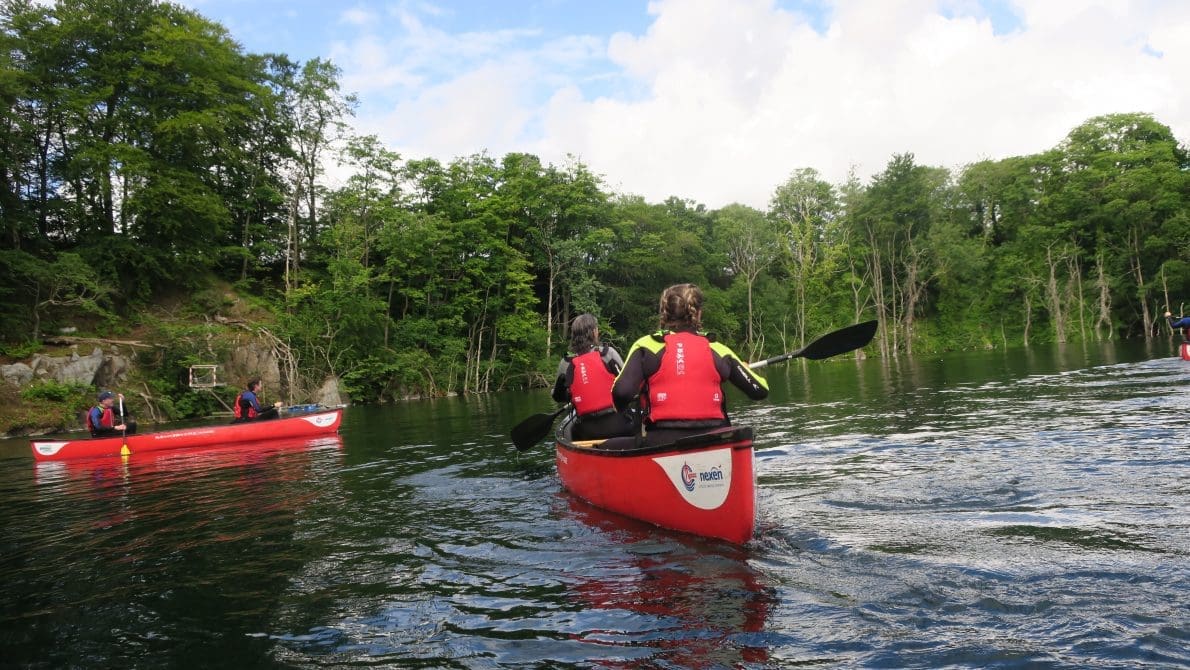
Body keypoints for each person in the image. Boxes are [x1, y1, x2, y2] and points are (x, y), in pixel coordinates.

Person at [612, 283, 769, 447]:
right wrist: (743, 369)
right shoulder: (717, 349)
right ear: (699, 314)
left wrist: (623, 409)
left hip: (662, 441)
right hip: (715, 440)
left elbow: (622, 393)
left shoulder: (647, 345)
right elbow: (760, 391)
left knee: (606, 446)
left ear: (664, 313)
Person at [552, 313, 636, 440]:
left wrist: (572, 395)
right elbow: (628, 386)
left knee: (573, 431)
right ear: (594, 332)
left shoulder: (566, 363)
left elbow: (557, 396)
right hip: (619, 427)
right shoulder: (607, 354)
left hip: (586, 432)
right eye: (596, 329)